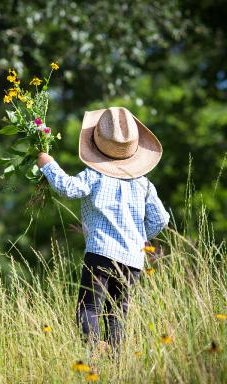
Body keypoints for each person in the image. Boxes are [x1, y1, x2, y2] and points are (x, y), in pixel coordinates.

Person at [37, 107, 170, 352]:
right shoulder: (144, 183)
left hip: (100, 252)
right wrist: (137, 237)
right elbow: (161, 219)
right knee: (117, 315)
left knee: (88, 308)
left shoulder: (94, 176)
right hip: (132, 260)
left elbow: (69, 189)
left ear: (97, 143)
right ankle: (114, 364)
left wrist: (48, 164)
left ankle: (92, 356)